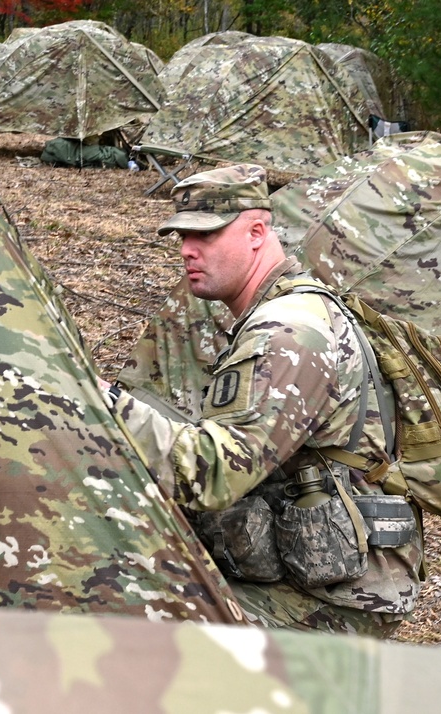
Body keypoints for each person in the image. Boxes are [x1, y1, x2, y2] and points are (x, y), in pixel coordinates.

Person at [100, 163, 422, 637]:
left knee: (118, 618)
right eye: (182, 237)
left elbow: (214, 474)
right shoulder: (275, 310)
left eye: (205, 236)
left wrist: (96, 400)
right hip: (305, 572)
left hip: (336, 601)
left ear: (256, 232)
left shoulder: (288, 330)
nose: (188, 250)